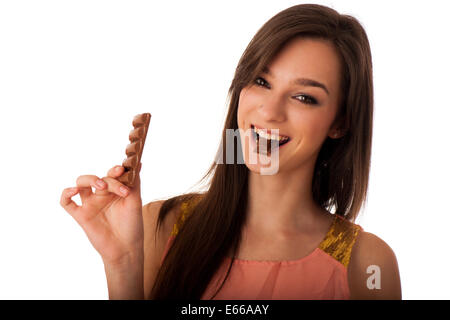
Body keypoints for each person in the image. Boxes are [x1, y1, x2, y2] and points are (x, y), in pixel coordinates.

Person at [60, 4, 401, 300]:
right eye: (261, 82)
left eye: (303, 97)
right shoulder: (158, 227)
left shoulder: (368, 264)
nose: (269, 112)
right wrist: (122, 265)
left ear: (339, 122)